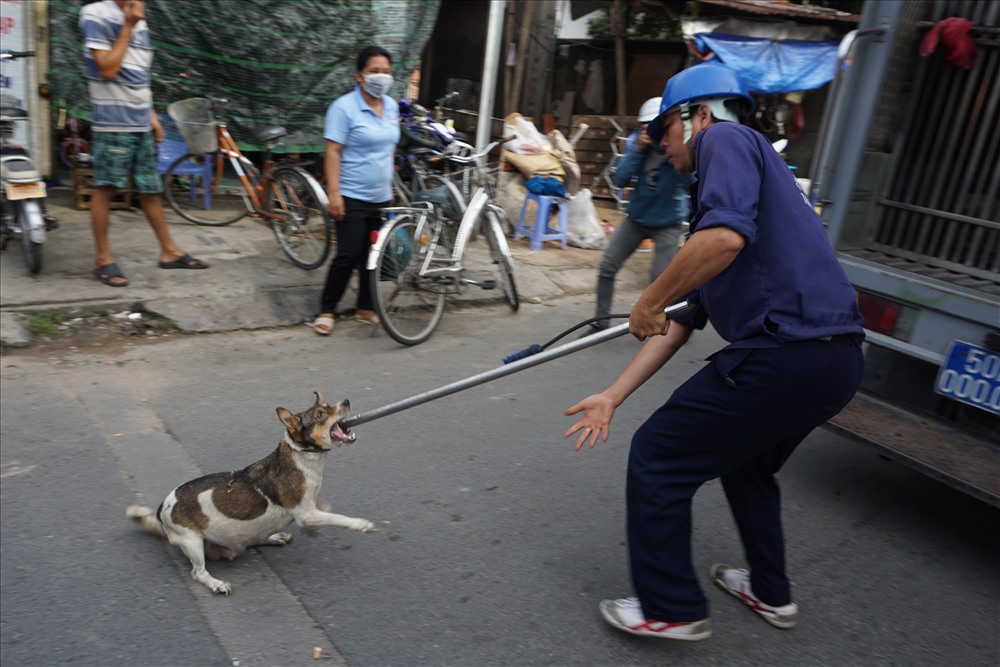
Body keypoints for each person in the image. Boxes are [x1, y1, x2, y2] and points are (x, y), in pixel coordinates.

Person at [564, 62, 865, 641]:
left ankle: (670, 608)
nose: (664, 145)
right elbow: (676, 326)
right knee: (745, 462)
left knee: (657, 456)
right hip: (836, 362)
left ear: (697, 114)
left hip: (786, 351)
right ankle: (770, 592)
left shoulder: (724, 138)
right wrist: (612, 395)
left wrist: (648, 297)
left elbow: (719, 242)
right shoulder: (753, 190)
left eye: (666, 132)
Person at [80, 0, 208, 288]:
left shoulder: (141, 19)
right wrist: (127, 25)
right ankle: (102, 258)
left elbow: (138, 74)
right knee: (105, 187)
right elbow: (107, 69)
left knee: (150, 188)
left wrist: (151, 115)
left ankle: (169, 251)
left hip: (139, 120)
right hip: (113, 120)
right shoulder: (94, 13)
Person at [583, 97, 693, 336]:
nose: (652, 134)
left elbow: (690, 183)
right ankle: (600, 323)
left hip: (668, 223)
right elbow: (619, 180)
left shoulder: (678, 147)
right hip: (637, 218)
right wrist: (637, 151)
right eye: (646, 128)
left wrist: (674, 153)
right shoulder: (637, 146)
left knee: (661, 281)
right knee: (606, 268)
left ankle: (670, 326)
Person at [312, 45, 400, 335]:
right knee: (348, 254)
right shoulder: (343, 107)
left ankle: (365, 307)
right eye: (374, 71)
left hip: (380, 196)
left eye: (386, 71)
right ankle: (327, 309)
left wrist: (390, 189)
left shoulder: (391, 107)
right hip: (351, 194)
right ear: (360, 75)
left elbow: (389, 149)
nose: (381, 77)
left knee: (372, 256)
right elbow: (333, 152)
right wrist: (334, 194)